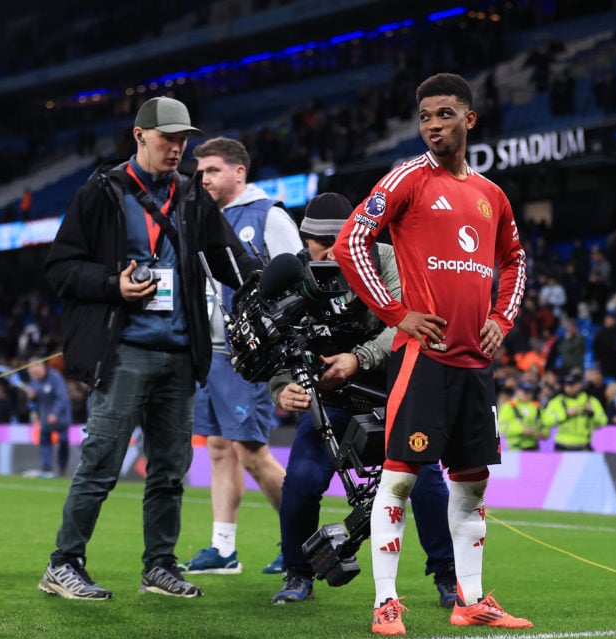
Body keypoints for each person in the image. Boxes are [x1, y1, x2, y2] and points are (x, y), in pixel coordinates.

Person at [335, 73, 533, 636]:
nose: (433, 126)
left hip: (476, 363)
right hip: (423, 359)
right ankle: (386, 603)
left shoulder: (492, 195)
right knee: (398, 479)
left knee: (470, 488)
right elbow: (352, 241)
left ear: (469, 120)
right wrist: (397, 315)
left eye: (444, 114)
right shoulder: (408, 178)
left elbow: (515, 260)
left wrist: (502, 318)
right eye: (425, 117)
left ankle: (470, 601)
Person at [38, 96, 258, 600]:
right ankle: (63, 563)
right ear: (139, 136)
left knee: (169, 471)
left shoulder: (190, 195)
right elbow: (60, 268)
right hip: (125, 353)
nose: (177, 148)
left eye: (183, 139)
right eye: (167, 138)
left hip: (180, 354)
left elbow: (229, 257)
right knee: (100, 463)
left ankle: (159, 565)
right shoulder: (101, 191)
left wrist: (266, 279)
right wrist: (112, 284)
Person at [268, 192, 457, 607]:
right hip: (331, 400)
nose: (330, 249)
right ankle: (297, 574)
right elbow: (277, 342)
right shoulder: (297, 272)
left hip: (397, 392)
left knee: (425, 483)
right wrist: (282, 387)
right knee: (300, 481)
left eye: (339, 238)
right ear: (305, 239)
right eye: (319, 241)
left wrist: (358, 358)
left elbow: (411, 321)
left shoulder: (390, 258)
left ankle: (448, 575)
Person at [178, 136, 303, 576]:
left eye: (212, 170)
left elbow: (296, 280)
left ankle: (300, 541)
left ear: (239, 173)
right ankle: (223, 548)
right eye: (200, 172)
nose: (204, 178)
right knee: (217, 448)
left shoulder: (268, 216)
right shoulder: (199, 219)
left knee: (251, 451)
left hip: (251, 355)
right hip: (209, 351)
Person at [25, 360, 72, 478]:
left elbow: (62, 397)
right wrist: (31, 398)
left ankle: (62, 468)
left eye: (36, 372)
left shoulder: (55, 377)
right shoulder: (34, 381)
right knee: (44, 440)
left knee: (63, 441)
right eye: (32, 373)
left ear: (42, 367)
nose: (34, 375)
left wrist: (55, 413)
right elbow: (31, 404)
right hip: (45, 417)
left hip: (61, 416)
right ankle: (47, 467)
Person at [542, 372, 608, 450]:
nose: (568, 387)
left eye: (572, 384)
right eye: (566, 385)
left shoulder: (590, 401)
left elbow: (603, 422)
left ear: (580, 385)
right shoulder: (557, 401)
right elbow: (546, 421)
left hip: (583, 444)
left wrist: (592, 414)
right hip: (562, 445)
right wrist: (566, 414)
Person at [498, 380, 546, 450]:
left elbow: (545, 423)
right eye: (525, 392)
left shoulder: (537, 406)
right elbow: (501, 426)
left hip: (533, 447)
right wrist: (521, 430)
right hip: (515, 448)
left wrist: (544, 433)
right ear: (517, 391)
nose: (527, 394)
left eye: (530, 392)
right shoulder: (508, 406)